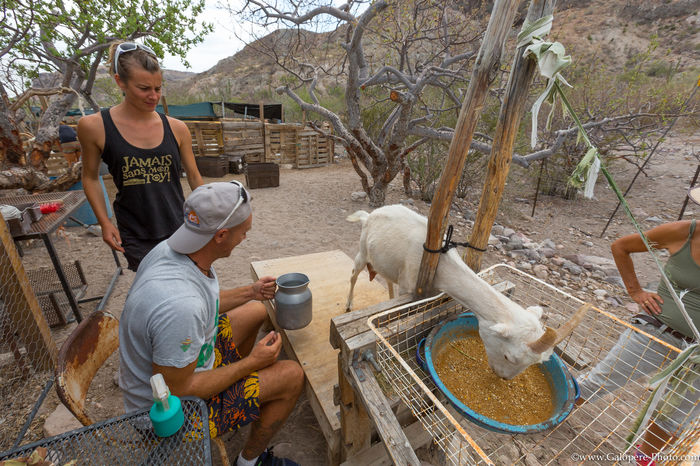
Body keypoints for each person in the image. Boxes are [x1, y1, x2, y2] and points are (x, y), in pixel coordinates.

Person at [119, 180, 304, 466]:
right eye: (243, 233)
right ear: (221, 235)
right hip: (171, 414)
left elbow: (205, 299)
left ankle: (240, 392)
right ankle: (249, 461)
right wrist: (250, 363)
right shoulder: (181, 307)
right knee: (292, 375)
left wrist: (251, 292)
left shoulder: (170, 251)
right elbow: (178, 391)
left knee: (255, 310)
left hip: (182, 367)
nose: (245, 238)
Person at [578, 204, 699, 463]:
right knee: (598, 381)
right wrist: (636, 291)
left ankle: (637, 462)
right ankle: (545, 413)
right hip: (657, 332)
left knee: (674, 418)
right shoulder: (684, 232)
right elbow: (621, 247)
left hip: (698, 355)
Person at [78, 41, 203, 271]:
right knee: (156, 290)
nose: (153, 96)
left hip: (180, 227)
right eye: (144, 88)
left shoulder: (177, 128)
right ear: (119, 81)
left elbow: (194, 176)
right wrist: (104, 222)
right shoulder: (94, 126)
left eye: (158, 88)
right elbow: (91, 177)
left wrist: (209, 213)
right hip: (136, 232)